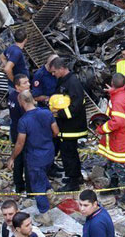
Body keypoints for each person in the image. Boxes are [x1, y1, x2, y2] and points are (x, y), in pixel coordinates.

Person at [7, 91, 59, 214]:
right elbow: (56, 131)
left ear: (21, 102)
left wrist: (12, 158)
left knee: (37, 184)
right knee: (42, 176)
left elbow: (20, 143)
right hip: (49, 153)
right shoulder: (46, 113)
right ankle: (51, 195)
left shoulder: (24, 121)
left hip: (35, 157)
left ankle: (44, 212)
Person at [96, 73, 125, 203]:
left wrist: (102, 129)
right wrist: (114, 92)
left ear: (113, 84)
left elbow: (118, 121)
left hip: (119, 138)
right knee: (112, 163)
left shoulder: (118, 100)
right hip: (119, 137)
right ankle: (114, 185)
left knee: (121, 165)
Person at [50, 57, 87, 191]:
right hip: (66, 126)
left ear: (61, 69)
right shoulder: (64, 81)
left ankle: (73, 183)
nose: (53, 74)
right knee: (70, 153)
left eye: (54, 71)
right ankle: (75, 176)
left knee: (68, 154)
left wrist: (59, 114)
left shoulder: (73, 83)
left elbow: (76, 106)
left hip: (72, 126)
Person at [9, 74, 31, 193]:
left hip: (15, 130)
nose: (29, 84)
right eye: (25, 83)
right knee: (27, 161)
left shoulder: (12, 96)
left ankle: (18, 185)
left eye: (28, 81)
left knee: (18, 159)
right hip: (23, 133)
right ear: (17, 86)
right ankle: (30, 189)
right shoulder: (22, 100)